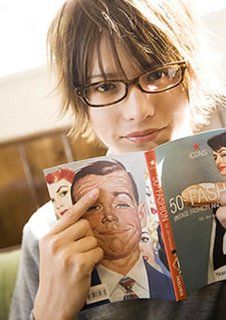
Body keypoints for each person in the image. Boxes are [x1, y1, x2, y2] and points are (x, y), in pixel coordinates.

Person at [9, 0, 226, 319]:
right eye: (106, 86)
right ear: (81, 100)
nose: (139, 111)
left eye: (158, 73)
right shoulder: (46, 233)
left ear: (191, 73)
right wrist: (50, 312)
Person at [69, 159, 174, 307]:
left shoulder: (172, 285)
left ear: (142, 214)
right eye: (93, 208)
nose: (109, 216)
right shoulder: (71, 298)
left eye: (122, 204)